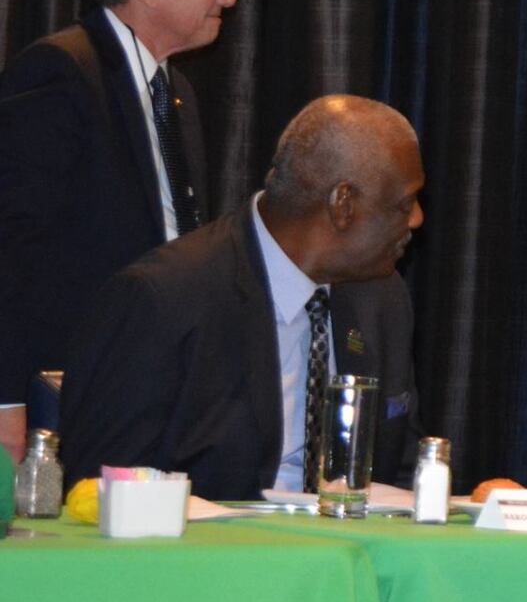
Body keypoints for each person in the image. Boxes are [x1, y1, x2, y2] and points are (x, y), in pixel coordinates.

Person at [59, 95, 425, 498]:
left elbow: (401, 471)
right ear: (343, 205)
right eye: (404, 203)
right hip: (212, 555)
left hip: (347, 553)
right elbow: (98, 491)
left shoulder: (381, 298)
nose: (416, 219)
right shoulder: (163, 300)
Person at [0, 0, 236, 462]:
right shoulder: (59, 71)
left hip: (150, 385)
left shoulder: (175, 91)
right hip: (63, 390)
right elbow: (11, 248)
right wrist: (7, 403)